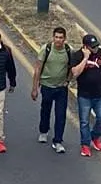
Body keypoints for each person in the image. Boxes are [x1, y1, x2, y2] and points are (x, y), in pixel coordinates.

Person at [31, 26, 72, 154]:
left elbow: (72, 66)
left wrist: (68, 81)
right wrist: (35, 88)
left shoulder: (68, 50)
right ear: (53, 38)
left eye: (61, 38)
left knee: (61, 115)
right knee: (46, 109)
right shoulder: (46, 49)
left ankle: (58, 141)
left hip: (61, 88)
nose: (58, 40)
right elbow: (38, 68)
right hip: (47, 86)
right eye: (56, 37)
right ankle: (43, 131)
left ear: (64, 39)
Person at [71, 33, 101, 157]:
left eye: (96, 46)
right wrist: (85, 58)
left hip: (100, 95)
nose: (95, 48)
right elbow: (75, 73)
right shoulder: (77, 56)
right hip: (85, 96)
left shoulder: (99, 52)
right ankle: (85, 145)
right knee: (84, 122)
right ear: (85, 47)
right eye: (92, 47)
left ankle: (95, 137)